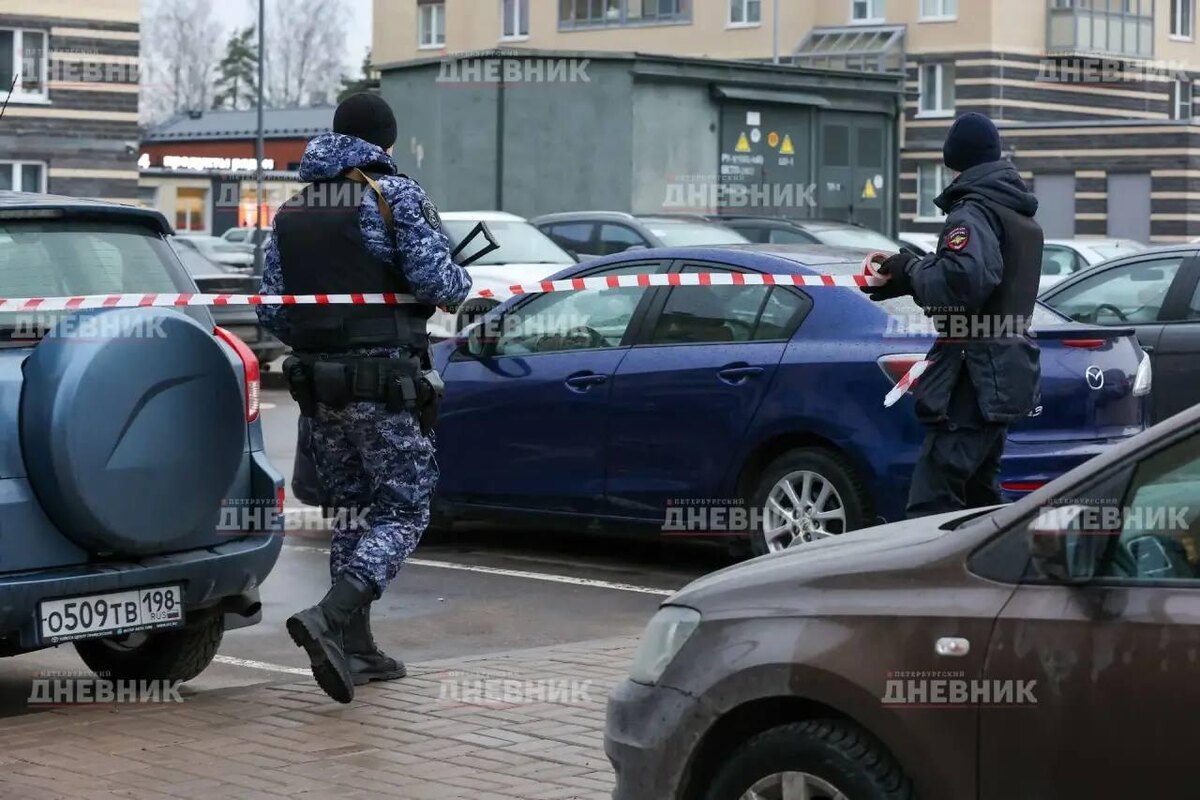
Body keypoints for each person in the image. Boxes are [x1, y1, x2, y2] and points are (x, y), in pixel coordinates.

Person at [257, 93, 472, 702]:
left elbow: (273, 307)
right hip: (383, 382)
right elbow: (440, 285)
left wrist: (323, 342)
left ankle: (356, 648)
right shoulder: (393, 193)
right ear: (386, 142)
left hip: (319, 388)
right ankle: (328, 618)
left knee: (351, 510)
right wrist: (457, 279)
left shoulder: (295, 208)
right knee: (403, 510)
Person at [861, 112, 1042, 518]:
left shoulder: (972, 212)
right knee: (979, 500)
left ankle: (941, 579)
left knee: (933, 503)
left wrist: (909, 270)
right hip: (999, 371)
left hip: (973, 376)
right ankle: (1008, 572)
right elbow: (976, 279)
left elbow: (965, 282)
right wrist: (908, 273)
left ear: (954, 161)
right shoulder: (1012, 211)